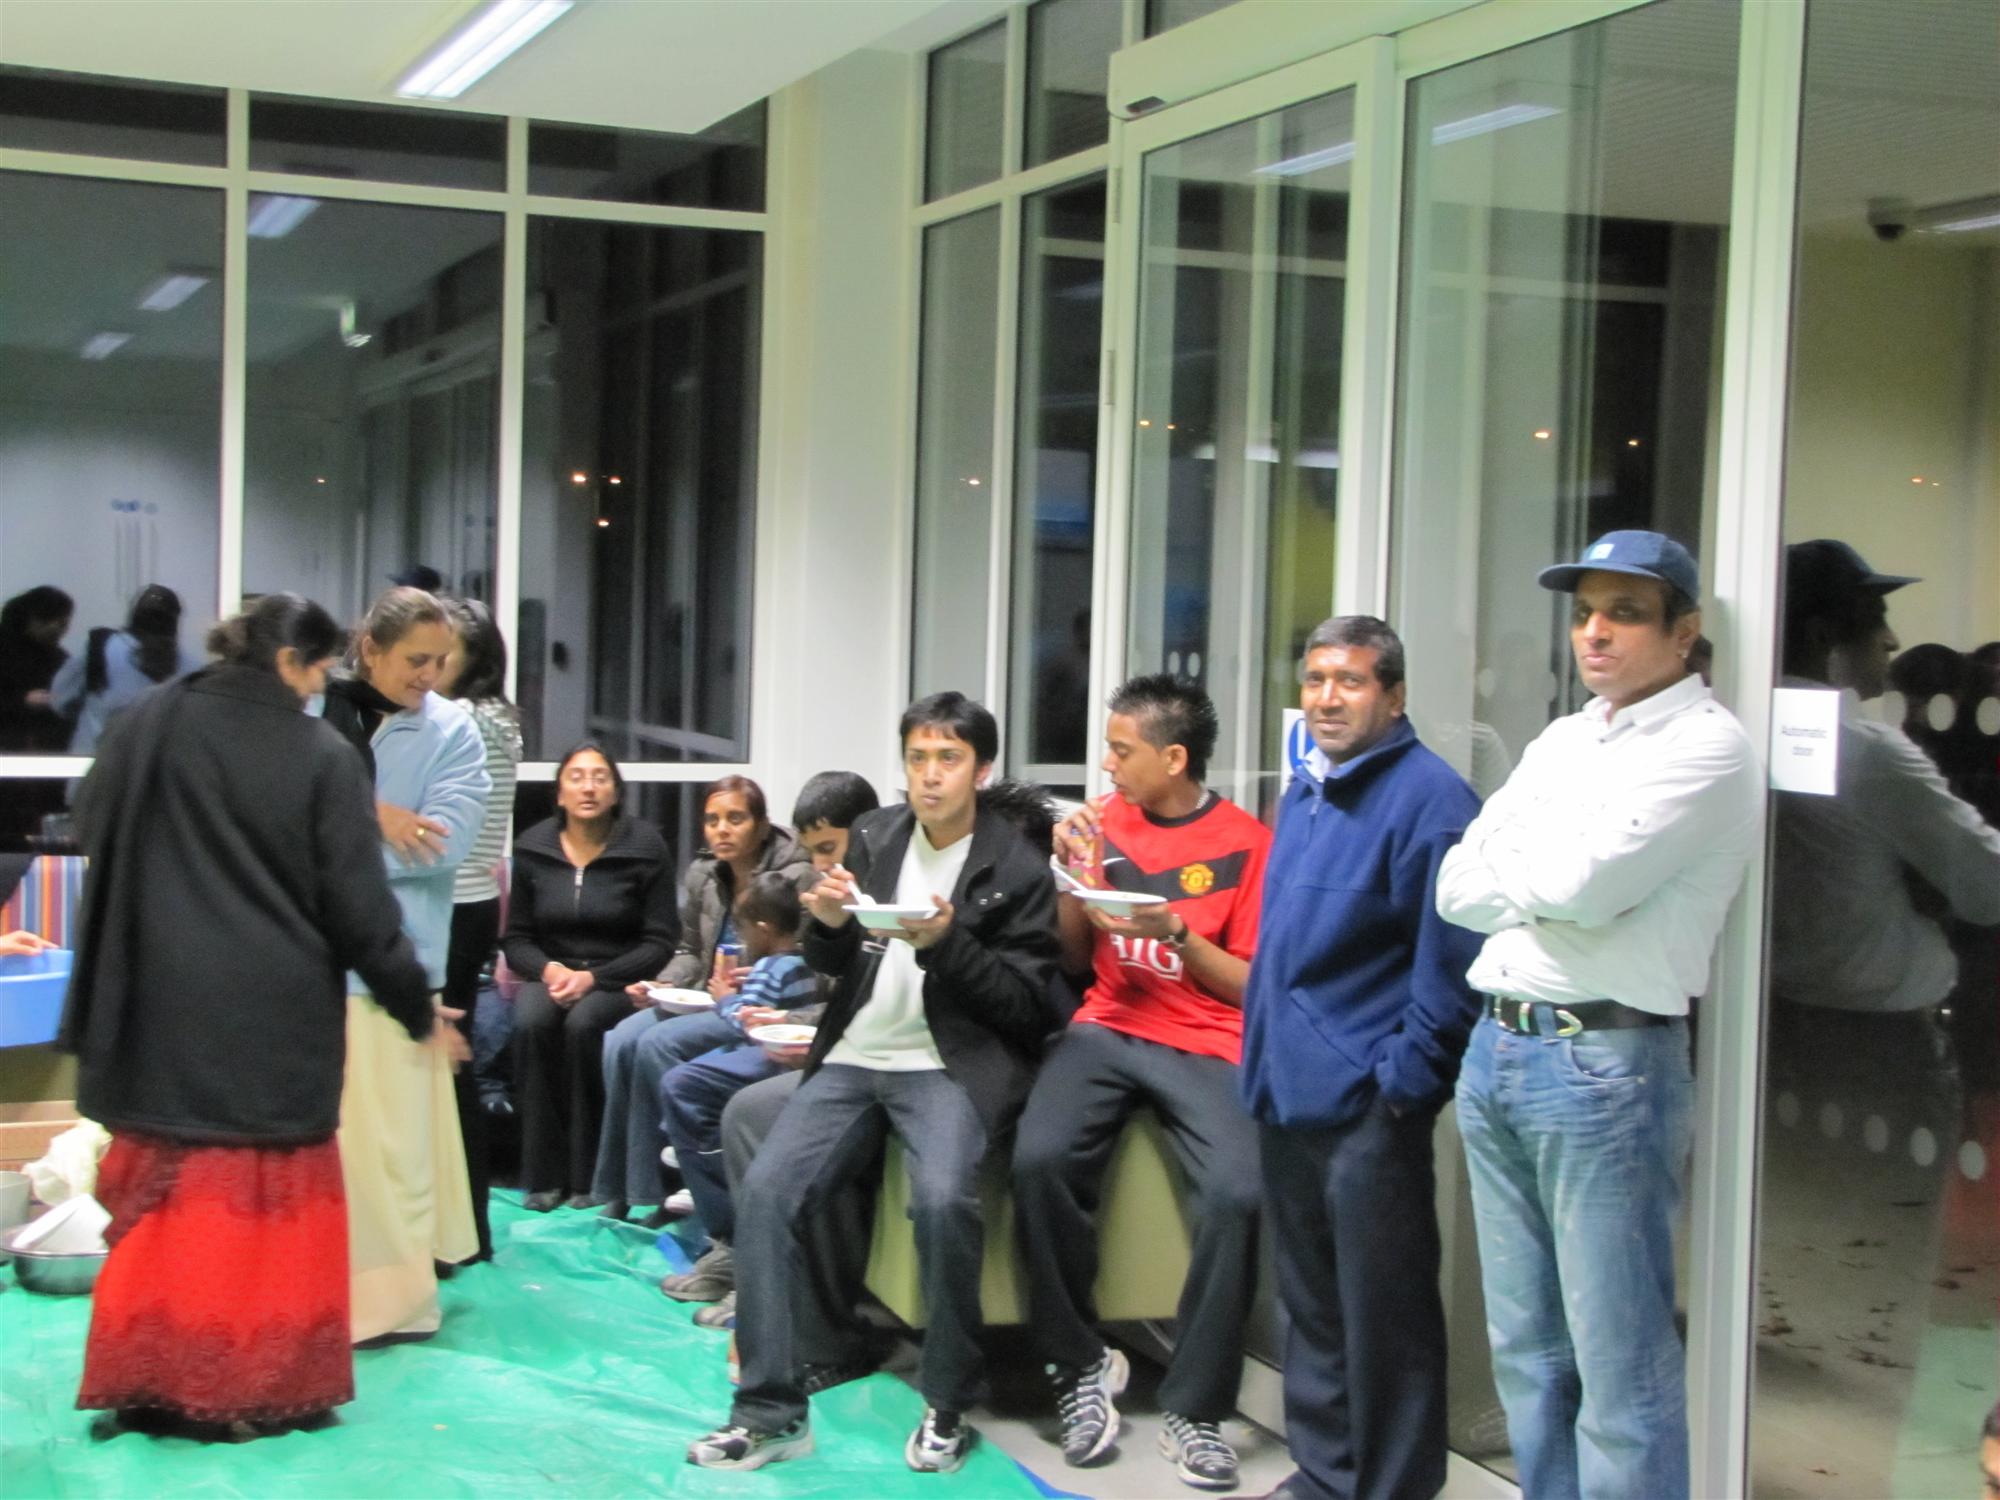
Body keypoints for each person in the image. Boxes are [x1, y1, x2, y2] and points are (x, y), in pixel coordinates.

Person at [58, 593, 455, 1431]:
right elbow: (358, 907)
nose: (318, 690)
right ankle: (247, 1391)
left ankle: (150, 1382)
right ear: (288, 663)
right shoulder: (317, 754)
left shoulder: (147, 722)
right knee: (256, 1216)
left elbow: (92, 819)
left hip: (153, 1011)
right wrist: (415, 1005)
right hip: (270, 1023)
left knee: (169, 1215)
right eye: (316, 671)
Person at [1437, 530, 1760, 1500]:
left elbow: (1580, 882)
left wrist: (1535, 870)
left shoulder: (1707, 746)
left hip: (1602, 1069)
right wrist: (1549, 874)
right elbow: (1456, 885)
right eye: (1583, 613)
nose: (1594, 633)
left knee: (1618, 1369)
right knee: (1527, 1350)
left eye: (1623, 612)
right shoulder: (1565, 737)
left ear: (1683, 631)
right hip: (1495, 1049)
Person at [687, 693, 1061, 1475]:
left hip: (948, 1063)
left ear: (981, 770)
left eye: (948, 760)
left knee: (942, 1200)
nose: (930, 777)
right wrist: (825, 925)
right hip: (858, 1051)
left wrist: (945, 941)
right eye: (918, 758)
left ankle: (949, 1401)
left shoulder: (1016, 867)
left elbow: (1026, 1011)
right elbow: (832, 963)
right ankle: (770, 1411)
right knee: (766, 1192)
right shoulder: (876, 833)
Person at [1764, 541, 2000, 1496]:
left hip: (1762, 1041)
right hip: (1873, 1056)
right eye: (1875, 622)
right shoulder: (1860, 747)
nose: (1895, 643)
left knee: (1787, 1278)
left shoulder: (1738, 724)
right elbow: (1985, 883)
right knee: (1877, 1293)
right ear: (1827, 635)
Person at [1238, 619, 1483, 1500]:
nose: (1327, 698)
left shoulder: (1434, 801)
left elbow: (1454, 967)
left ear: (1395, 696)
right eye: (1314, 679)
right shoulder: (1306, 789)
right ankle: (1328, 1475)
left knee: (1386, 1320)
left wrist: (1401, 1086)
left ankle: (1391, 1489)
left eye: (1350, 681)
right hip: (1283, 1092)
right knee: (1312, 1311)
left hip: (1365, 1111)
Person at [1014, 674, 1271, 1491]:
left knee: (1239, 1193)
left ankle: (1197, 1407)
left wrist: (1180, 935)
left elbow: (1249, 986)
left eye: (1122, 750)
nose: (1107, 763)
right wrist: (1064, 877)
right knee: (1037, 1159)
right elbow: (1069, 955)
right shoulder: (1105, 822)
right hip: (1111, 1021)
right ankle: (1081, 1364)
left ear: (1174, 757)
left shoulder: (1247, 842)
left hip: (1207, 1037)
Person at [320, 585, 491, 1344]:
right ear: (370, 650)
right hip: (311, 961)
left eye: (439, 661)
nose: (428, 674)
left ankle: (389, 1306)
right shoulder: (318, 716)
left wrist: (347, 829)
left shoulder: (455, 732)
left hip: (395, 963)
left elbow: (445, 843)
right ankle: (317, 1293)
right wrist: (377, 819)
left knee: (393, 1154)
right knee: (329, 1146)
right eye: (414, 660)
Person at [659, 770, 879, 1315]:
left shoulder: (888, 895)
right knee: (680, 1080)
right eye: (811, 851)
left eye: (828, 849)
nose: (819, 866)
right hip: (808, 1037)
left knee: (739, 1110)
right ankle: (730, 1244)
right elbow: (821, 980)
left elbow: (845, 993)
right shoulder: (825, 893)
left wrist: (798, 1020)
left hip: (848, 1056)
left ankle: (758, 1274)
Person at [590, 777, 813, 1223]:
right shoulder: (704, 873)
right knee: (620, 1038)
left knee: (657, 1044)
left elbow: (812, 953)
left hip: (754, 1001)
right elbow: (690, 949)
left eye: (735, 818)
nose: (721, 830)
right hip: (706, 995)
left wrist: (766, 970)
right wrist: (659, 984)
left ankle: (668, 1183)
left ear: (762, 825)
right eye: (712, 821)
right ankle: (622, 1186)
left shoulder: (795, 875)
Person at [503, 742, 677, 1213]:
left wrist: (595, 978)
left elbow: (660, 941)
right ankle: (541, 1176)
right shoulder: (533, 847)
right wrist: (548, 969)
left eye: (600, 777)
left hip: (618, 977)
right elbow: (515, 938)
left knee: (586, 1028)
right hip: (551, 973)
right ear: (559, 793)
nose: (588, 786)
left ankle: (587, 1177)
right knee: (531, 1024)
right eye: (576, 777)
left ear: (616, 791)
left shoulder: (645, 848)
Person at [657, 874, 821, 1261]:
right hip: (793, 1041)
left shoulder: (768, 969)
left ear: (762, 929)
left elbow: (748, 1023)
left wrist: (726, 999)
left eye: (744, 930)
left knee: (687, 1078)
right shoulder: (804, 963)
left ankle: (694, 1169)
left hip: (773, 1051)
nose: (743, 939)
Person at [438, 596, 523, 1261]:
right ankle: (463, 1224)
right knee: (447, 1057)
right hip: (464, 902)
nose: (431, 666)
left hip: (456, 904)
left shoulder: (470, 721)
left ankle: (465, 1226)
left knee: (448, 1057)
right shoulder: (495, 717)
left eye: (443, 655)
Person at [50, 583, 199, 759]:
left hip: (97, 764)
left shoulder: (100, 651)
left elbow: (60, 699)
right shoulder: (191, 666)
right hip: (156, 769)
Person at [0, 586, 73, 847]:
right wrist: (22, 701)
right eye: (49, 620)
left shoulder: (60, 659)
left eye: (63, 623)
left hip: (47, 763)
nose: (57, 629)